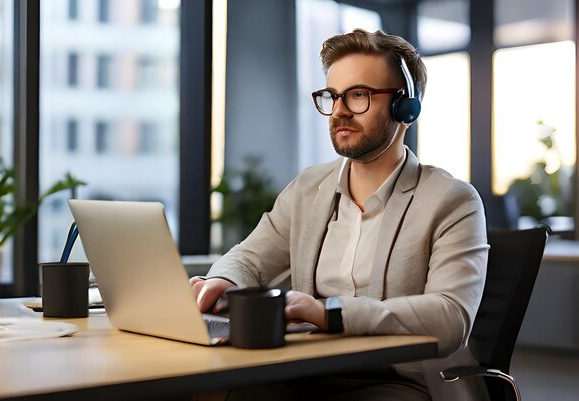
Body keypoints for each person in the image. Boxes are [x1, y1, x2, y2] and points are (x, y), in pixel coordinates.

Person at [191, 29, 489, 401]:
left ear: (405, 108)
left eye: (359, 95)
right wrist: (222, 280)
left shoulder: (451, 200)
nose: (340, 110)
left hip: (402, 381)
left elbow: (449, 317)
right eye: (333, 96)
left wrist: (328, 313)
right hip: (306, 368)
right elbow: (251, 258)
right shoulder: (308, 188)